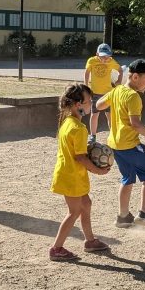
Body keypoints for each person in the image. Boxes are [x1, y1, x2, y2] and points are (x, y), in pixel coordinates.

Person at [97, 59, 145, 230]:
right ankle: (144, 213)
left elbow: (98, 105)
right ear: (135, 76)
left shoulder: (118, 90)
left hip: (115, 145)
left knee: (127, 178)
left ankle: (123, 216)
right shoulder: (134, 97)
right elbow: (136, 124)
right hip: (130, 145)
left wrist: (113, 99)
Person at [49, 83, 111, 261]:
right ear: (78, 105)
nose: (90, 104)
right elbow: (81, 158)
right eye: (88, 101)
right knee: (73, 212)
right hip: (71, 177)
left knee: (86, 204)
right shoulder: (78, 128)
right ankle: (56, 248)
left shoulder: (68, 122)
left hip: (71, 174)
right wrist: (98, 170)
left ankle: (90, 241)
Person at [84, 43, 122, 141]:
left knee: (109, 115)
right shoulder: (91, 61)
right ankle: (93, 136)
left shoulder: (111, 61)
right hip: (95, 93)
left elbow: (120, 69)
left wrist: (119, 80)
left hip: (108, 94)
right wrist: (86, 85)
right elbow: (87, 72)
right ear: (97, 54)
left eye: (107, 56)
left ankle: (113, 135)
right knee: (94, 114)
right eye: (102, 56)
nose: (105, 59)